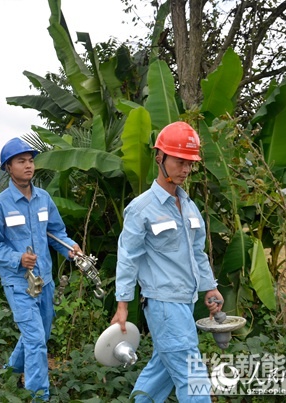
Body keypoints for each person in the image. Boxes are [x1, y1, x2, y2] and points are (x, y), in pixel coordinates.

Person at [111, 121, 224, 402]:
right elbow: (128, 257)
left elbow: (197, 252)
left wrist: (210, 288)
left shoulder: (188, 204)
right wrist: (122, 305)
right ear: (159, 158)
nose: (185, 170)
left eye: (190, 163)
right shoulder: (141, 208)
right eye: (179, 161)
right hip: (163, 304)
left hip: (185, 302)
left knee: (161, 370)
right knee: (192, 376)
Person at [0, 137, 82, 401]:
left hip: (45, 281)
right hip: (18, 284)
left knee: (40, 334)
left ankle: (9, 373)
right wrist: (17, 258)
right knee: (37, 340)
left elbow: (56, 232)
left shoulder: (43, 198)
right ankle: (39, 396)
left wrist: (71, 248)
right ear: (8, 167)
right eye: (21, 161)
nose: (28, 166)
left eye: (30, 161)